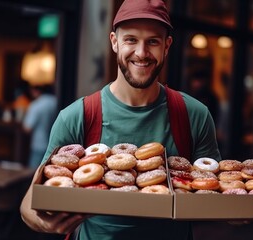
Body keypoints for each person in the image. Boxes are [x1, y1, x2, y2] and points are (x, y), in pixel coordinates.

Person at [20, 0, 221, 239]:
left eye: (153, 41)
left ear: (167, 46)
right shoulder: (77, 116)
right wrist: (45, 224)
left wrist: (246, 211)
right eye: (131, 40)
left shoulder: (194, 115)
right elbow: (28, 205)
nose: (142, 53)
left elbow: (213, 193)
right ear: (115, 42)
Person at [23, 84, 58, 169]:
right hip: (55, 144)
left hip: (38, 144)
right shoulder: (55, 101)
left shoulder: (36, 105)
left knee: (34, 172)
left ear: (35, 91)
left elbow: (27, 128)